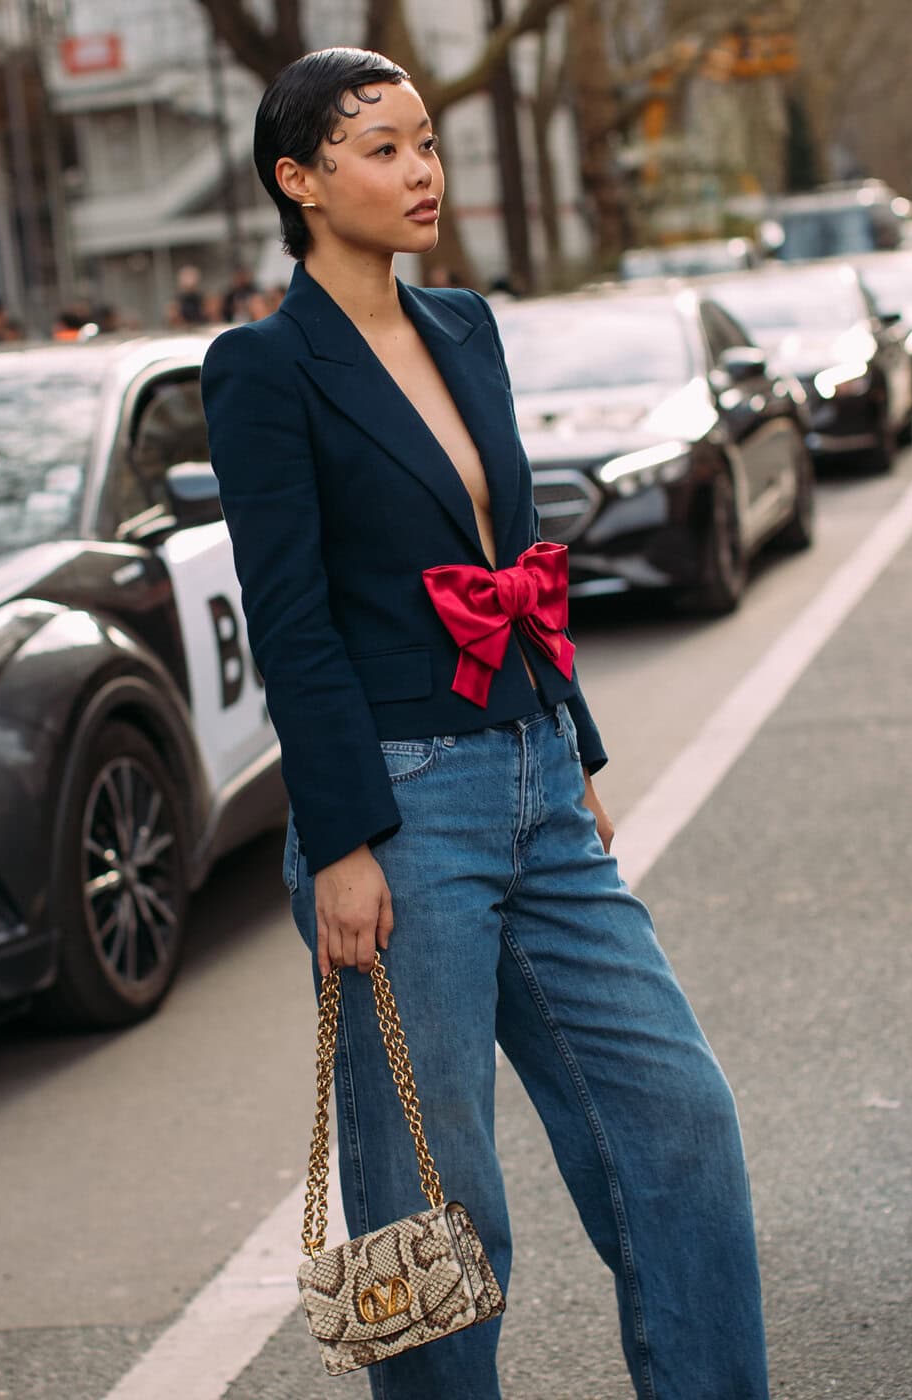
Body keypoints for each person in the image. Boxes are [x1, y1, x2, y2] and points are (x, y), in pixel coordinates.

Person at [200, 47, 767, 1399]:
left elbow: (513, 564)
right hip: (398, 819)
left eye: (427, 144)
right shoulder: (262, 370)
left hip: (532, 780)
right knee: (436, 1209)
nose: (422, 172)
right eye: (383, 148)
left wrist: (568, 748)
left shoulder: (465, 328)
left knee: (678, 1125)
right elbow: (293, 623)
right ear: (299, 178)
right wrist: (340, 840)